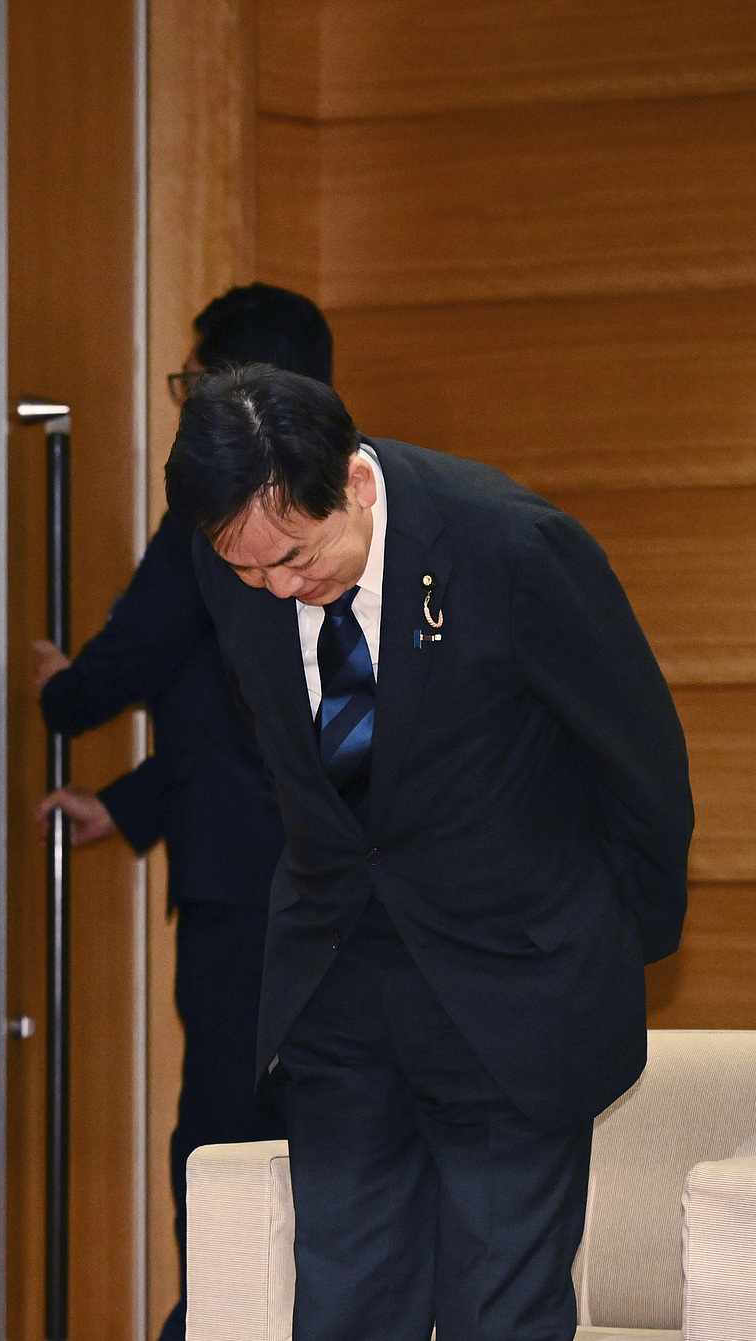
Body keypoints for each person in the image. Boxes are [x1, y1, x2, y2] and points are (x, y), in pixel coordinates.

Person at [165, 365, 691, 1339]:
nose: (276, 588)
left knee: (498, 1310)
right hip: (340, 989)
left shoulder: (512, 550)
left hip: (510, 992)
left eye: (293, 558)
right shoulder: (230, 559)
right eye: (248, 572)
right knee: (344, 1302)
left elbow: (643, 773)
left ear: (354, 485)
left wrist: (596, 948)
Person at [31, 282, 328, 1341]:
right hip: (334, 880)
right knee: (306, 1123)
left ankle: (212, 1321)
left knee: (220, 1130)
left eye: (194, 381)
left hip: (247, 882)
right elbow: (247, 709)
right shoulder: (346, 503)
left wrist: (59, 698)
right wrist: (129, 799)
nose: (184, 403)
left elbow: (147, 646)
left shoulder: (220, 504)